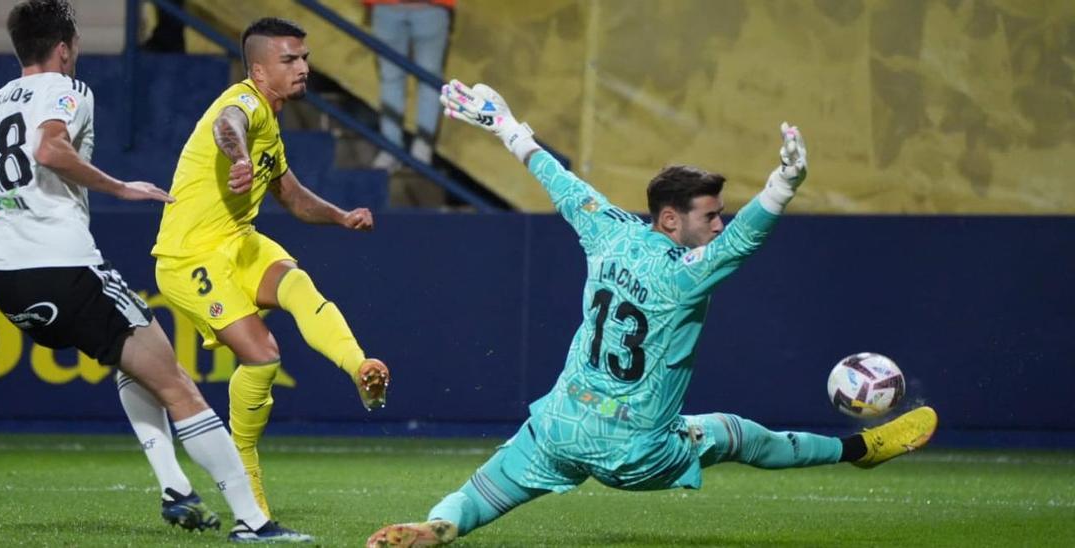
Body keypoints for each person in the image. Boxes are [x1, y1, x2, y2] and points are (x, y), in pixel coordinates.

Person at [366, 80, 939, 547]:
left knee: (482, 493)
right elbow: (742, 244)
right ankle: (861, 451)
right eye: (710, 216)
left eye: (723, 214)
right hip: (639, 450)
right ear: (670, 220)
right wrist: (783, 186)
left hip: (562, 425)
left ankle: (437, 526)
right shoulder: (685, 275)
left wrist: (509, 128)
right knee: (735, 434)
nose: (719, 225)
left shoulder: (607, 233)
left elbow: (563, 185)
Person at [0, 1, 311, 542]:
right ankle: (254, 523)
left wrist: (1, 186)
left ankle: (174, 488)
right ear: (65, 48)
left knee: (131, 358)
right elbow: (49, 148)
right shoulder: (68, 89)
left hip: (2, 279)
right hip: (61, 264)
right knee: (178, 384)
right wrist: (120, 186)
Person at [151, 17, 391, 519]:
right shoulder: (242, 105)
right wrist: (237, 158)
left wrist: (341, 216)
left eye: (303, 58)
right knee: (262, 356)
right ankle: (244, 475)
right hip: (189, 257)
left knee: (297, 284)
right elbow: (226, 127)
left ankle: (359, 368)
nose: (303, 67)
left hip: (237, 243)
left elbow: (293, 197)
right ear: (259, 71)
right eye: (289, 60)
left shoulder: (270, 122)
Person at [366, 0, 455, 170]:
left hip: (403, 8)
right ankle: (415, 150)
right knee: (425, 81)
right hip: (422, 9)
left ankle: (398, 150)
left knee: (399, 79)